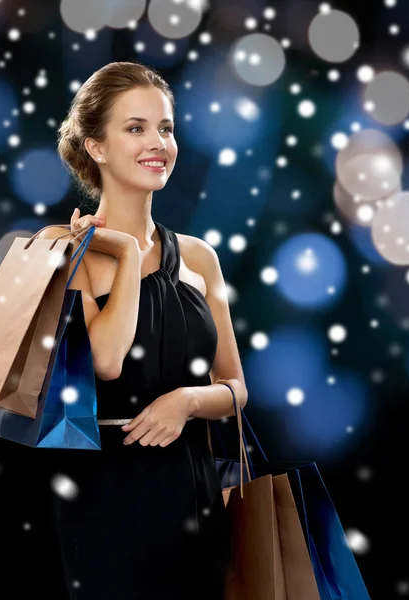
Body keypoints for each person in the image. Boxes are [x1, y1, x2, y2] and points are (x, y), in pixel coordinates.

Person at [39, 61, 248, 600]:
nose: (158, 143)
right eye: (135, 128)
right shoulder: (66, 254)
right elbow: (106, 360)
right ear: (96, 147)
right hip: (105, 493)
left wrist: (186, 402)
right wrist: (129, 256)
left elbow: (235, 388)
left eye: (166, 128)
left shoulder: (201, 258)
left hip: (195, 491)